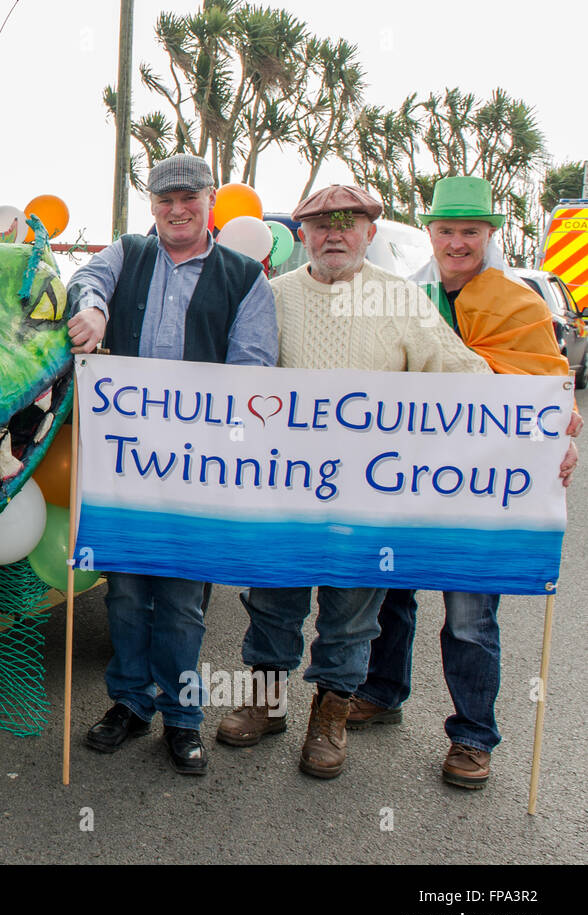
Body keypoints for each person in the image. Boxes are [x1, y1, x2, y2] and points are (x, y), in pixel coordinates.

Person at [215, 184, 492, 779]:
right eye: (321, 225)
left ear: (370, 231)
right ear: (303, 235)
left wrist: (539, 414)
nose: (334, 234)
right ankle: (267, 704)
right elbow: (233, 378)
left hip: (369, 496)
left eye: (348, 224)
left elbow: (462, 372)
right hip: (284, 489)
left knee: (351, 612)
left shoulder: (402, 300)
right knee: (273, 602)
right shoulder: (272, 296)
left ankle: (331, 714)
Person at [348, 175, 581, 789]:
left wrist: (561, 439)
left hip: (479, 485)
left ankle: (473, 736)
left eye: (469, 232)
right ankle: (381, 690)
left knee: (470, 614)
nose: (456, 242)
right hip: (404, 476)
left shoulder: (519, 304)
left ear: (489, 236)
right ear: (431, 232)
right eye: (447, 230)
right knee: (390, 593)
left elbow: (545, 388)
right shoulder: (403, 297)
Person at [66, 154, 278, 775]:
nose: (177, 209)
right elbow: (85, 280)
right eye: (165, 200)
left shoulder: (244, 278)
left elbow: (254, 371)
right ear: (152, 205)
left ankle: (183, 718)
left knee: (184, 602)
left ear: (210, 201)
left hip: (198, 472)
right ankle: (130, 703)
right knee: (127, 596)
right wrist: (95, 309)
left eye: (189, 198)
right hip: (125, 464)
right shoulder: (128, 254)